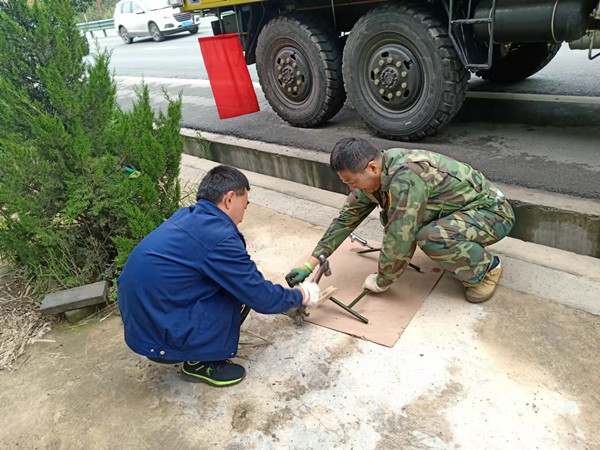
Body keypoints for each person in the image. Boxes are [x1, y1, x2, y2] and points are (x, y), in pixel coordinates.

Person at [118, 165, 320, 387]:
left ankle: (190, 346)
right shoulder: (219, 237)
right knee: (234, 293)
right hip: (159, 336)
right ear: (229, 198)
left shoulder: (188, 216)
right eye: (245, 205)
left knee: (230, 282)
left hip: (145, 323)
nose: (244, 215)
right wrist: (301, 295)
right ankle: (199, 362)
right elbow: (260, 296)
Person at [286, 138, 515, 303]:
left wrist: (383, 280)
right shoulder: (377, 173)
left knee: (430, 237)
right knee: (416, 227)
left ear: (372, 167)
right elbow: (345, 220)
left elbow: (400, 235)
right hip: (462, 211)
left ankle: (486, 269)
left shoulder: (406, 177)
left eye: (352, 182)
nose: (351, 189)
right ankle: (463, 249)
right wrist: (310, 263)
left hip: (493, 214)